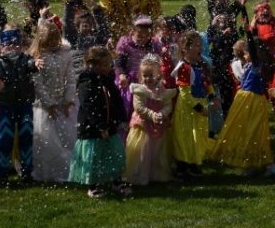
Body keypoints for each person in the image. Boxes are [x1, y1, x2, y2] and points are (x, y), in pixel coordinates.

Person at [211, 9, 275, 175]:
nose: (245, 55)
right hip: (245, 101)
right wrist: (243, 11)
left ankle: (266, 164)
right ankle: (250, 162)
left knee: (257, 131)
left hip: (253, 101)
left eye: (248, 53)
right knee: (246, 130)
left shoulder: (256, 64)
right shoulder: (247, 64)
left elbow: (252, 51)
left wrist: (248, 32)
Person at [69, 46, 130, 198]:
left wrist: (121, 118)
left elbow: (116, 99)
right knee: (93, 157)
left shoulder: (106, 79)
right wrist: (100, 125)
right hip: (93, 128)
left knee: (115, 153)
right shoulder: (85, 81)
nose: (108, 67)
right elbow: (88, 106)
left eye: (109, 63)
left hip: (110, 124)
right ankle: (93, 185)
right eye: (105, 64)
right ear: (93, 65)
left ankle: (116, 181)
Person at [29, 21, 77, 182]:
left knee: (66, 138)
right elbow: (37, 83)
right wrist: (48, 104)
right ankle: (48, 172)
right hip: (43, 106)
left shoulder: (65, 53)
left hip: (62, 102)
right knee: (47, 141)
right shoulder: (37, 56)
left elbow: (70, 78)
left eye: (54, 40)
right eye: (48, 42)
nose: (51, 44)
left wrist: (69, 98)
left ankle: (67, 170)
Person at [0, 26, 38, 187]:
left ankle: (27, 172)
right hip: (6, 106)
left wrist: (36, 63)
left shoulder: (25, 59)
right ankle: (3, 172)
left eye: (16, 44)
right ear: (1, 48)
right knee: (5, 138)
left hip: (24, 105)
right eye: (8, 45)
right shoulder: (0, 61)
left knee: (26, 136)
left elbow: (31, 64)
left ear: (21, 45)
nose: (12, 48)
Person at [170, 30, 219, 180]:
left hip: (201, 105)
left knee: (198, 136)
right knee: (186, 136)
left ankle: (193, 162)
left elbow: (207, 83)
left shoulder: (202, 64)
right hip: (187, 108)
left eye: (200, 45)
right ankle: (182, 166)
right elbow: (184, 93)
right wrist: (199, 108)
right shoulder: (183, 67)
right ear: (185, 48)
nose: (200, 48)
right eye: (197, 45)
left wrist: (212, 97)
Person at [123, 54, 177, 185]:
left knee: (158, 150)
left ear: (158, 75)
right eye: (145, 76)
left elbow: (168, 105)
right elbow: (139, 107)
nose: (147, 78)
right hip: (143, 124)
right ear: (140, 76)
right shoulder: (140, 90)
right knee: (143, 150)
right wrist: (152, 114)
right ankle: (139, 175)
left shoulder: (162, 90)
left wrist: (162, 114)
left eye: (151, 75)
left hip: (159, 123)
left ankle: (157, 174)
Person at [114, 15, 161, 125]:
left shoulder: (153, 45)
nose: (143, 39)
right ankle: (126, 127)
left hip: (146, 79)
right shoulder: (126, 42)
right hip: (129, 80)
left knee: (146, 106)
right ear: (132, 32)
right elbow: (119, 63)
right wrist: (121, 75)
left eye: (146, 36)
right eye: (139, 35)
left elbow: (157, 64)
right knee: (128, 106)